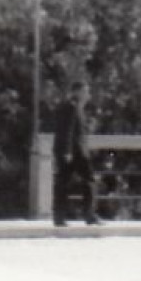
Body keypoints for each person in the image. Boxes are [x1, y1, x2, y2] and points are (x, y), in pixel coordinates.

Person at [52, 81, 101, 227]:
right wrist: (67, 151)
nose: (88, 95)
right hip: (74, 152)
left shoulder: (69, 107)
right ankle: (89, 215)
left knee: (63, 183)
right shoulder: (72, 108)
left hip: (70, 151)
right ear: (77, 92)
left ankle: (59, 217)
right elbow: (67, 130)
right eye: (85, 92)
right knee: (89, 180)